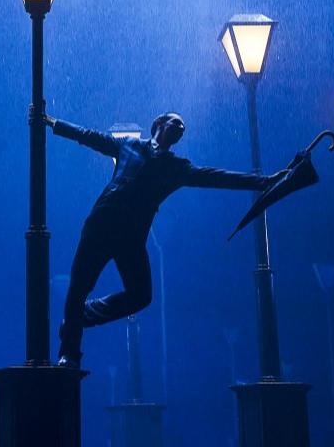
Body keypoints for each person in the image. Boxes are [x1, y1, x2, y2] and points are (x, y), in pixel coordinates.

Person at [44, 111, 288, 368]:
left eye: (183, 127)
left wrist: (263, 182)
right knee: (79, 285)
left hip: (131, 237)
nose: (181, 127)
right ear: (158, 124)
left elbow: (216, 176)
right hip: (101, 224)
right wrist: (54, 123)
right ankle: (69, 353)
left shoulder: (176, 167)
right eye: (175, 122)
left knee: (141, 295)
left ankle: (81, 315)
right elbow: (89, 136)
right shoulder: (129, 144)